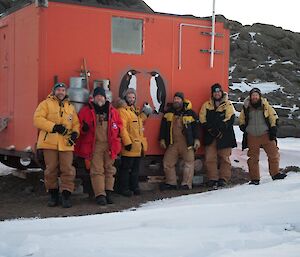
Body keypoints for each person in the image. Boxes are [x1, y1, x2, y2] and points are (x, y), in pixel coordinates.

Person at [33, 82, 80, 208]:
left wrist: (75, 134)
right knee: (50, 170)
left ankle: (66, 195)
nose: (61, 92)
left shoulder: (70, 107)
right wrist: (54, 127)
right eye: (58, 90)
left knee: (68, 170)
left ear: (65, 92)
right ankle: (53, 195)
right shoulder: (45, 104)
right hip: (49, 143)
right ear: (54, 91)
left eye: (63, 90)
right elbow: (37, 119)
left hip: (66, 144)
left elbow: (76, 123)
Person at [75, 87, 122, 205]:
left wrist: (118, 135)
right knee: (97, 170)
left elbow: (119, 125)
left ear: (105, 98)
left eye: (101, 96)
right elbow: (78, 126)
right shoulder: (86, 110)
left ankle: (109, 192)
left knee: (110, 170)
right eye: (97, 96)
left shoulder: (112, 111)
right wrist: (84, 129)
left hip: (110, 145)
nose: (99, 98)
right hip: (94, 146)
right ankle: (100, 195)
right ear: (93, 98)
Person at [239, 88, 286, 185]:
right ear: (250, 96)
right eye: (253, 95)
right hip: (252, 135)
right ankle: (255, 178)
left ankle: (275, 173)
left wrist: (273, 128)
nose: (255, 97)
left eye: (256, 95)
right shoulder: (246, 107)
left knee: (273, 154)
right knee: (252, 158)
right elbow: (241, 118)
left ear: (259, 96)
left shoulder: (266, 105)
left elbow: (273, 116)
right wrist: (242, 125)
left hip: (266, 134)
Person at [159, 92, 200, 190]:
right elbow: (163, 128)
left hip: (187, 143)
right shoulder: (168, 113)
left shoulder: (191, 113)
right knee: (167, 162)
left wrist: (197, 139)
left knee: (189, 163)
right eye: (175, 99)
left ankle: (186, 184)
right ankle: (171, 183)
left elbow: (196, 128)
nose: (176, 101)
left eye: (178, 99)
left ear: (182, 100)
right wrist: (162, 139)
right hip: (173, 143)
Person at [199, 83, 237, 189]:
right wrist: (209, 128)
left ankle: (223, 179)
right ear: (212, 94)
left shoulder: (228, 104)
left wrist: (220, 128)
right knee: (210, 158)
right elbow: (202, 118)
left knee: (225, 158)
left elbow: (230, 118)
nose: (217, 94)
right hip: (210, 136)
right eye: (215, 92)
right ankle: (213, 179)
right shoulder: (206, 105)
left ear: (221, 92)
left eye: (218, 92)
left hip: (224, 136)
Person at [117, 88, 152, 197]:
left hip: (137, 147)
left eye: (133, 97)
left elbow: (139, 122)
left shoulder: (133, 111)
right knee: (126, 169)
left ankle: (134, 187)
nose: (131, 99)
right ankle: (124, 188)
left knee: (135, 170)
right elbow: (122, 128)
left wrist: (145, 114)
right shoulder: (122, 111)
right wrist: (127, 142)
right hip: (129, 146)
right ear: (125, 97)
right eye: (129, 97)